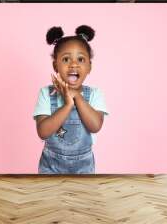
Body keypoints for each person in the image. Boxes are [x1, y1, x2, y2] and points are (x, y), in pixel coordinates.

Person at [33, 25, 108, 174]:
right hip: (51, 167)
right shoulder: (46, 94)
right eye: (66, 59)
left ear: (89, 67)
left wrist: (76, 95)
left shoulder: (94, 94)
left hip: (84, 168)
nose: (74, 64)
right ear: (56, 65)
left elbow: (95, 126)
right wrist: (67, 104)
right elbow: (43, 132)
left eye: (80, 59)